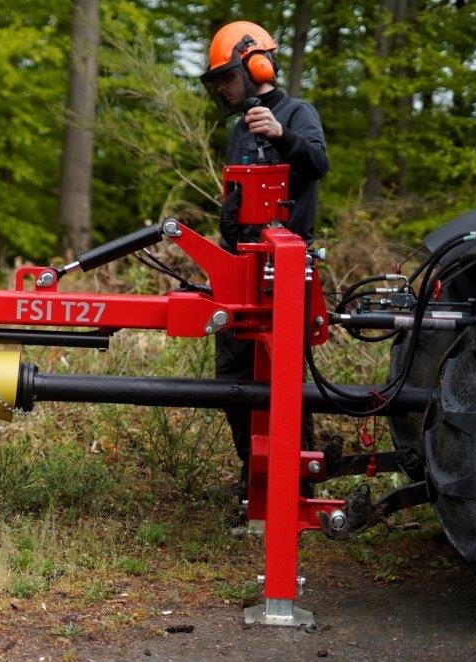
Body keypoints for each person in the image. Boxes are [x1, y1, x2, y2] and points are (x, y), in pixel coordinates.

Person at [199, 21, 329, 502]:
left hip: (286, 272)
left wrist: (282, 135)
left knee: (284, 380)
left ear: (255, 67)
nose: (222, 89)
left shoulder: (297, 113)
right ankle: (254, 475)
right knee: (232, 380)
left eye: (226, 78)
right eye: (217, 82)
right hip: (242, 269)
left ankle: (293, 485)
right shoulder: (238, 129)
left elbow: (317, 163)